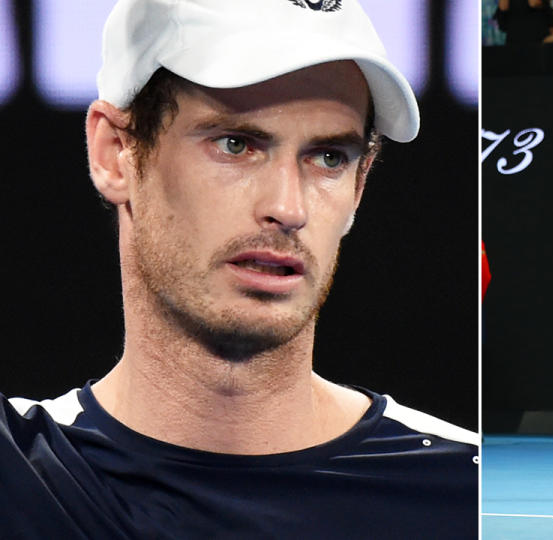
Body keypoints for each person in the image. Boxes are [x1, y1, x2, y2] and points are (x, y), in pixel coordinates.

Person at [0, 0, 479, 538]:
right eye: (236, 145)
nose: (289, 208)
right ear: (115, 154)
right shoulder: (16, 477)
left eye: (328, 158)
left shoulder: (472, 492)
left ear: (360, 185)